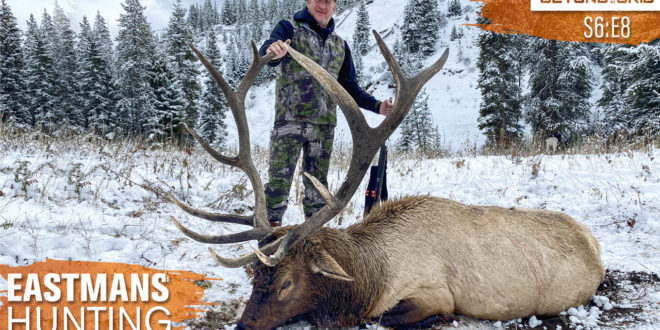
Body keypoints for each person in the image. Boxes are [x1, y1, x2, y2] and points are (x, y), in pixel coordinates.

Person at [259, 0, 393, 227]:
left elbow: (350, 88)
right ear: (308, 2)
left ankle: (314, 242)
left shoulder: (340, 45)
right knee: (277, 186)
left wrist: (377, 106)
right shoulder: (289, 28)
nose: (323, 4)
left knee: (318, 191)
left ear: (335, 7)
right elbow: (268, 50)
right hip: (289, 123)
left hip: (323, 128)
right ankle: (266, 248)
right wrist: (274, 51)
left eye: (328, 1)